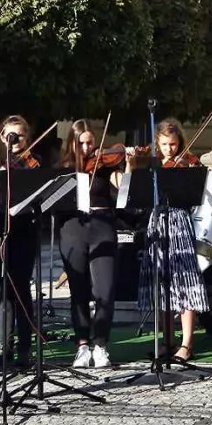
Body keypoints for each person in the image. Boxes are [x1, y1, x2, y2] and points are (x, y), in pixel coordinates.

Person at [135, 118, 210, 361]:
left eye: (175, 145)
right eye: (166, 145)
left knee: (184, 282)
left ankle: (186, 343)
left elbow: (196, 193)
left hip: (179, 222)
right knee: (162, 283)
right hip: (157, 223)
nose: (171, 150)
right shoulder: (151, 165)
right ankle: (166, 341)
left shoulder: (187, 164)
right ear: (157, 142)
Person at [61, 119, 122, 369]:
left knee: (105, 291)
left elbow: (121, 192)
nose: (87, 148)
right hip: (73, 227)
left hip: (102, 224)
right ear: (72, 144)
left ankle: (100, 344)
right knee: (78, 291)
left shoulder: (105, 166)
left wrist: (126, 163)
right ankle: (82, 345)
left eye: (90, 143)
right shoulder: (63, 168)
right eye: (81, 143)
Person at [0, 116, 42, 369]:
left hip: (25, 230)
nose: (14, 141)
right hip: (0, 231)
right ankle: (3, 347)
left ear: (26, 138)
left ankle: (25, 349)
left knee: (22, 289)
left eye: (19, 136)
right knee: (3, 289)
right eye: (9, 136)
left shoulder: (33, 164)